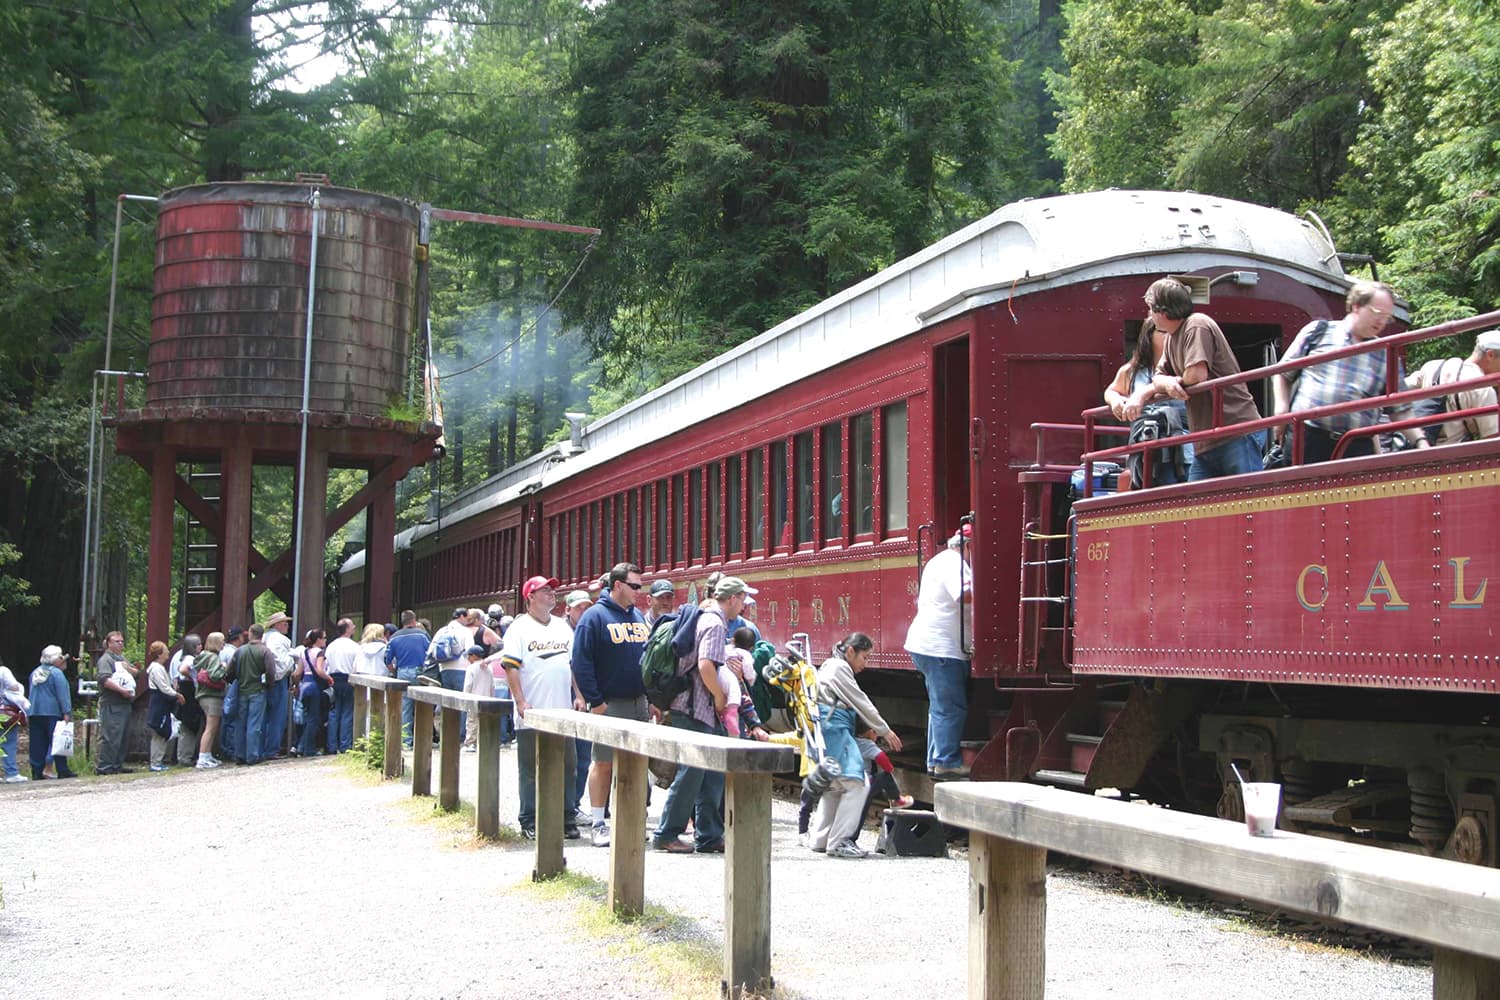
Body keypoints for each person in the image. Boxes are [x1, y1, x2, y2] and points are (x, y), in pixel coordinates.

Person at [654, 576, 766, 854]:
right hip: (695, 708)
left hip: (698, 708)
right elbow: (705, 666)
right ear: (731, 599)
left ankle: (709, 835)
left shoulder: (708, 618)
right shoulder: (715, 623)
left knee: (711, 774)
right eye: (742, 598)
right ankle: (666, 833)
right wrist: (720, 696)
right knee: (691, 773)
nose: (744, 604)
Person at [1273, 280, 1429, 463]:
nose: (1382, 321)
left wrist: (1420, 442)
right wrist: (1281, 409)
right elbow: (1283, 373)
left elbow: (1400, 409)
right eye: (1377, 313)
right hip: (1308, 438)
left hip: (1356, 445)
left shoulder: (1385, 353)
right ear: (1356, 306)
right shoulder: (1319, 331)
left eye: (1387, 317)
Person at [1131, 277, 1265, 479]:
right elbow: (1158, 377)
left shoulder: (1196, 325)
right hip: (1206, 441)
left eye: (1150, 309)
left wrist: (1169, 383)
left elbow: (1196, 374)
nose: (1149, 314)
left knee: (1248, 500)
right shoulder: (1172, 337)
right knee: (1194, 504)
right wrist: (1167, 383)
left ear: (1163, 312)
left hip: (1236, 432)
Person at [570, 562, 651, 848]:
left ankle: (630, 820)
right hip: (610, 703)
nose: (639, 592)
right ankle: (598, 823)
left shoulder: (639, 616)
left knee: (637, 764)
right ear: (618, 585)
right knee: (603, 763)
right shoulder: (594, 617)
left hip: (639, 703)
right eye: (635, 586)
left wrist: (651, 697)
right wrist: (596, 701)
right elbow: (581, 661)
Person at [809, 632, 903, 858]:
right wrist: (884, 730)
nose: (866, 663)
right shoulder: (840, 668)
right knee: (857, 783)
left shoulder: (829, 666)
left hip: (827, 727)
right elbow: (860, 700)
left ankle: (820, 839)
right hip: (836, 729)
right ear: (851, 651)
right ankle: (840, 841)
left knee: (835, 786)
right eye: (865, 657)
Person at [500, 576, 579, 840]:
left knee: (568, 766)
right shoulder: (518, 629)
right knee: (531, 768)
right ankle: (529, 818)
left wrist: (579, 695)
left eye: (552, 590)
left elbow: (572, 665)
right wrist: (521, 701)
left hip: (563, 710)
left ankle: (567, 816)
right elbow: (511, 667)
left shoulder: (562, 627)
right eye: (545, 590)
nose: (551, 594)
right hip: (532, 712)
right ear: (530, 597)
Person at [903, 526, 972, 778]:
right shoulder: (954, 562)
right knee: (950, 707)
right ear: (968, 545)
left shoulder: (940, 560)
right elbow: (964, 594)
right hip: (941, 647)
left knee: (939, 706)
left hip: (931, 645)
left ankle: (935, 759)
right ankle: (946, 761)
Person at [1105, 317, 1193, 487]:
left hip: (1184, 444)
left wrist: (1146, 393)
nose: (1169, 337)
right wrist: (1115, 399)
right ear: (1149, 336)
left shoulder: (1183, 366)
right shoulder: (1132, 370)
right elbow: (1111, 390)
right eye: (1163, 332)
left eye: (1172, 332)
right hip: (1145, 445)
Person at [1402, 329, 1500, 446]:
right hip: (1451, 457)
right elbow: (1492, 442)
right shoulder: (1484, 390)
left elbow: (1397, 390)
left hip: (1415, 448)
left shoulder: (1433, 366)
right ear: (1490, 355)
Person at [94, 630, 139, 775]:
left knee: (123, 736)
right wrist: (121, 690)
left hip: (125, 703)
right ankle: (105, 767)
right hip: (112, 703)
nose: (120, 644)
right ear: (108, 643)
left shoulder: (121, 658)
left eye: (122, 641)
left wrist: (129, 668)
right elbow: (104, 679)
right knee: (111, 736)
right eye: (116, 641)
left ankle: (117, 765)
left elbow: (137, 673)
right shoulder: (106, 660)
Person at [27, 646, 75, 779]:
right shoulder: (56, 673)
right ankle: (62, 769)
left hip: (35, 711)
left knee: (37, 742)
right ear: (56, 660)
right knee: (58, 739)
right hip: (52, 712)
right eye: (61, 657)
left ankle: (37, 771)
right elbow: (63, 694)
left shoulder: (35, 672)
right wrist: (66, 711)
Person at [232, 624, 275, 765]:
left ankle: (239, 754)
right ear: (262, 635)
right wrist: (269, 685)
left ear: (250, 633)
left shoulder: (239, 651)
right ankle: (252, 756)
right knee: (254, 725)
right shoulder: (265, 652)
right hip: (258, 690)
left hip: (242, 690)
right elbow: (270, 672)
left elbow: (230, 672)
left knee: (240, 724)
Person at [385, 610, 429, 747]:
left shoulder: (395, 637)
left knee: (405, 707)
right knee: (423, 705)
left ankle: (406, 741)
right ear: (414, 620)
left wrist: (394, 672)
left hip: (402, 672)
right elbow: (431, 653)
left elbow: (387, 660)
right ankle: (422, 740)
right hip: (419, 671)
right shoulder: (422, 635)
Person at [145, 641, 185, 772]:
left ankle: (158, 760)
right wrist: (177, 694)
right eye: (166, 650)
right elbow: (164, 687)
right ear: (159, 654)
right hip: (159, 703)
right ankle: (155, 762)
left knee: (162, 732)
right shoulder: (156, 669)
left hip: (162, 703)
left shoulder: (159, 668)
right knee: (159, 732)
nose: (168, 652)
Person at [261, 611, 295, 760]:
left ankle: (260, 748)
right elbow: (281, 663)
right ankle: (271, 749)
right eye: (284, 623)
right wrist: (292, 660)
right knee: (277, 716)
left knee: (263, 716)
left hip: (262, 680)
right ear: (276, 625)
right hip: (278, 680)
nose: (287, 625)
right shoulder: (281, 640)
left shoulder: (264, 638)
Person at [322, 618, 358, 753]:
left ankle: (331, 746)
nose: (354, 627)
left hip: (333, 680)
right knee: (347, 713)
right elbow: (356, 666)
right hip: (348, 680)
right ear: (347, 629)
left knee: (333, 713)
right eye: (352, 626)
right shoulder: (354, 646)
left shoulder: (331, 646)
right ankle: (345, 745)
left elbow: (327, 664)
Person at [294, 630, 332, 758]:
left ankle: (300, 746)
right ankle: (308, 749)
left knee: (306, 717)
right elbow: (319, 670)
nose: (325, 640)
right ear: (318, 639)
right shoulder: (320, 653)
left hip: (304, 684)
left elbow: (297, 673)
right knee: (314, 718)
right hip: (314, 686)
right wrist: (329, 678)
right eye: (324, 638)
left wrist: (295, 686)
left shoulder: (304, 652)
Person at [195, 632, 229, 769]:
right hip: (212, 696)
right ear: (216, 642)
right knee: (211, 727)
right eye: (222, 641)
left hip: (202, 695)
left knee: (210, 727)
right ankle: (203, 757)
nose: (224, 643)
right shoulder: (214, 658)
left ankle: (207, 755)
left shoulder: (202, 657)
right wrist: (224, 668)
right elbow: (215, 675)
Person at [173, 634, 204, 767]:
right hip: (189, 693)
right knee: (189, 725)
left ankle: (184, 755)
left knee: (188, 725)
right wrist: (193, 678)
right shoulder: (190, 659)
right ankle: (185, 757)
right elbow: (183, 670)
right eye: (199, 645)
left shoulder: (181, 657)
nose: (201, 647)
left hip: (186, 692)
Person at [217, 625, 245, 762]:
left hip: (222, 689)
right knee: (232, 720)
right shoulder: (235, 652)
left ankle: (223, 748)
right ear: (238, 637)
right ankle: (231, 749)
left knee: (225, 720)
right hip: (232, 688)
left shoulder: (222, 651)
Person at [460, 645, 493, 752]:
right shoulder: (489, 668)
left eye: (468, 656)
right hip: (487, 699)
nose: (468, 659)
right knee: (484, 722)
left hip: (473, 698)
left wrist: (465, 698)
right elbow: (492, 686)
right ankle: (484, 742)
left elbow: (468, 685)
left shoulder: (471, 668)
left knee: (472, 722)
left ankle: (470, 743)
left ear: (473, 656)